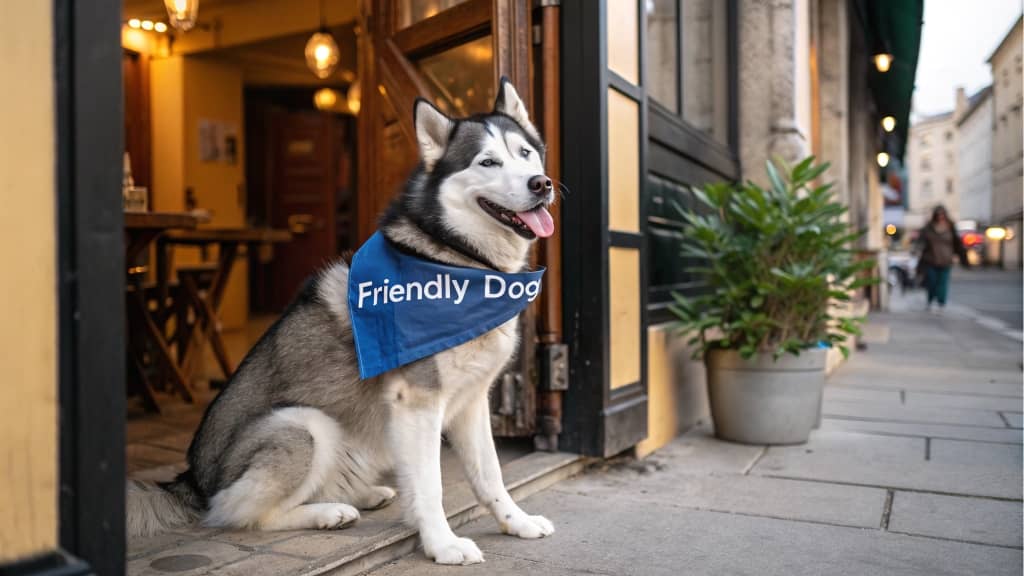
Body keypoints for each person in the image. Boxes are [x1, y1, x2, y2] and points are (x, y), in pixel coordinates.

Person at [915, 205, 967, 313]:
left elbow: (957, 244)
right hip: (930, 259)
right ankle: (930, 301)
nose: (940, 217)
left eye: (942, 214)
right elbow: (921, 241)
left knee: (942, 283)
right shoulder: (928, 228)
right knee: (932, 282)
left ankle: (941, 303)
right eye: (938, 214)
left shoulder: (950, 227)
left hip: (946, 260)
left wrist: (962, 258)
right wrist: (918, 249)